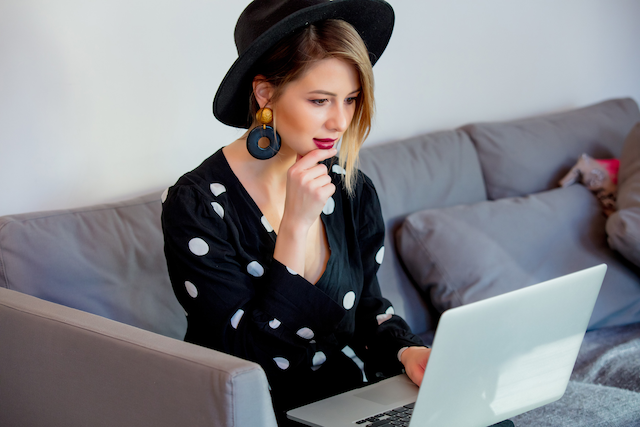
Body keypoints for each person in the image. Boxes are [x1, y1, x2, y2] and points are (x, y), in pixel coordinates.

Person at [161, 0, 431, 424]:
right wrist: (296, 225)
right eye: (321, 100)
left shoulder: (348, 186)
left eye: (352, 100)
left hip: (352, 397)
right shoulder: (197, 206)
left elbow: (367, 308)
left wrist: (407, 349)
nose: (341, 122)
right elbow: (250, 363)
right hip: (263, 414)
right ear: (265, 93)